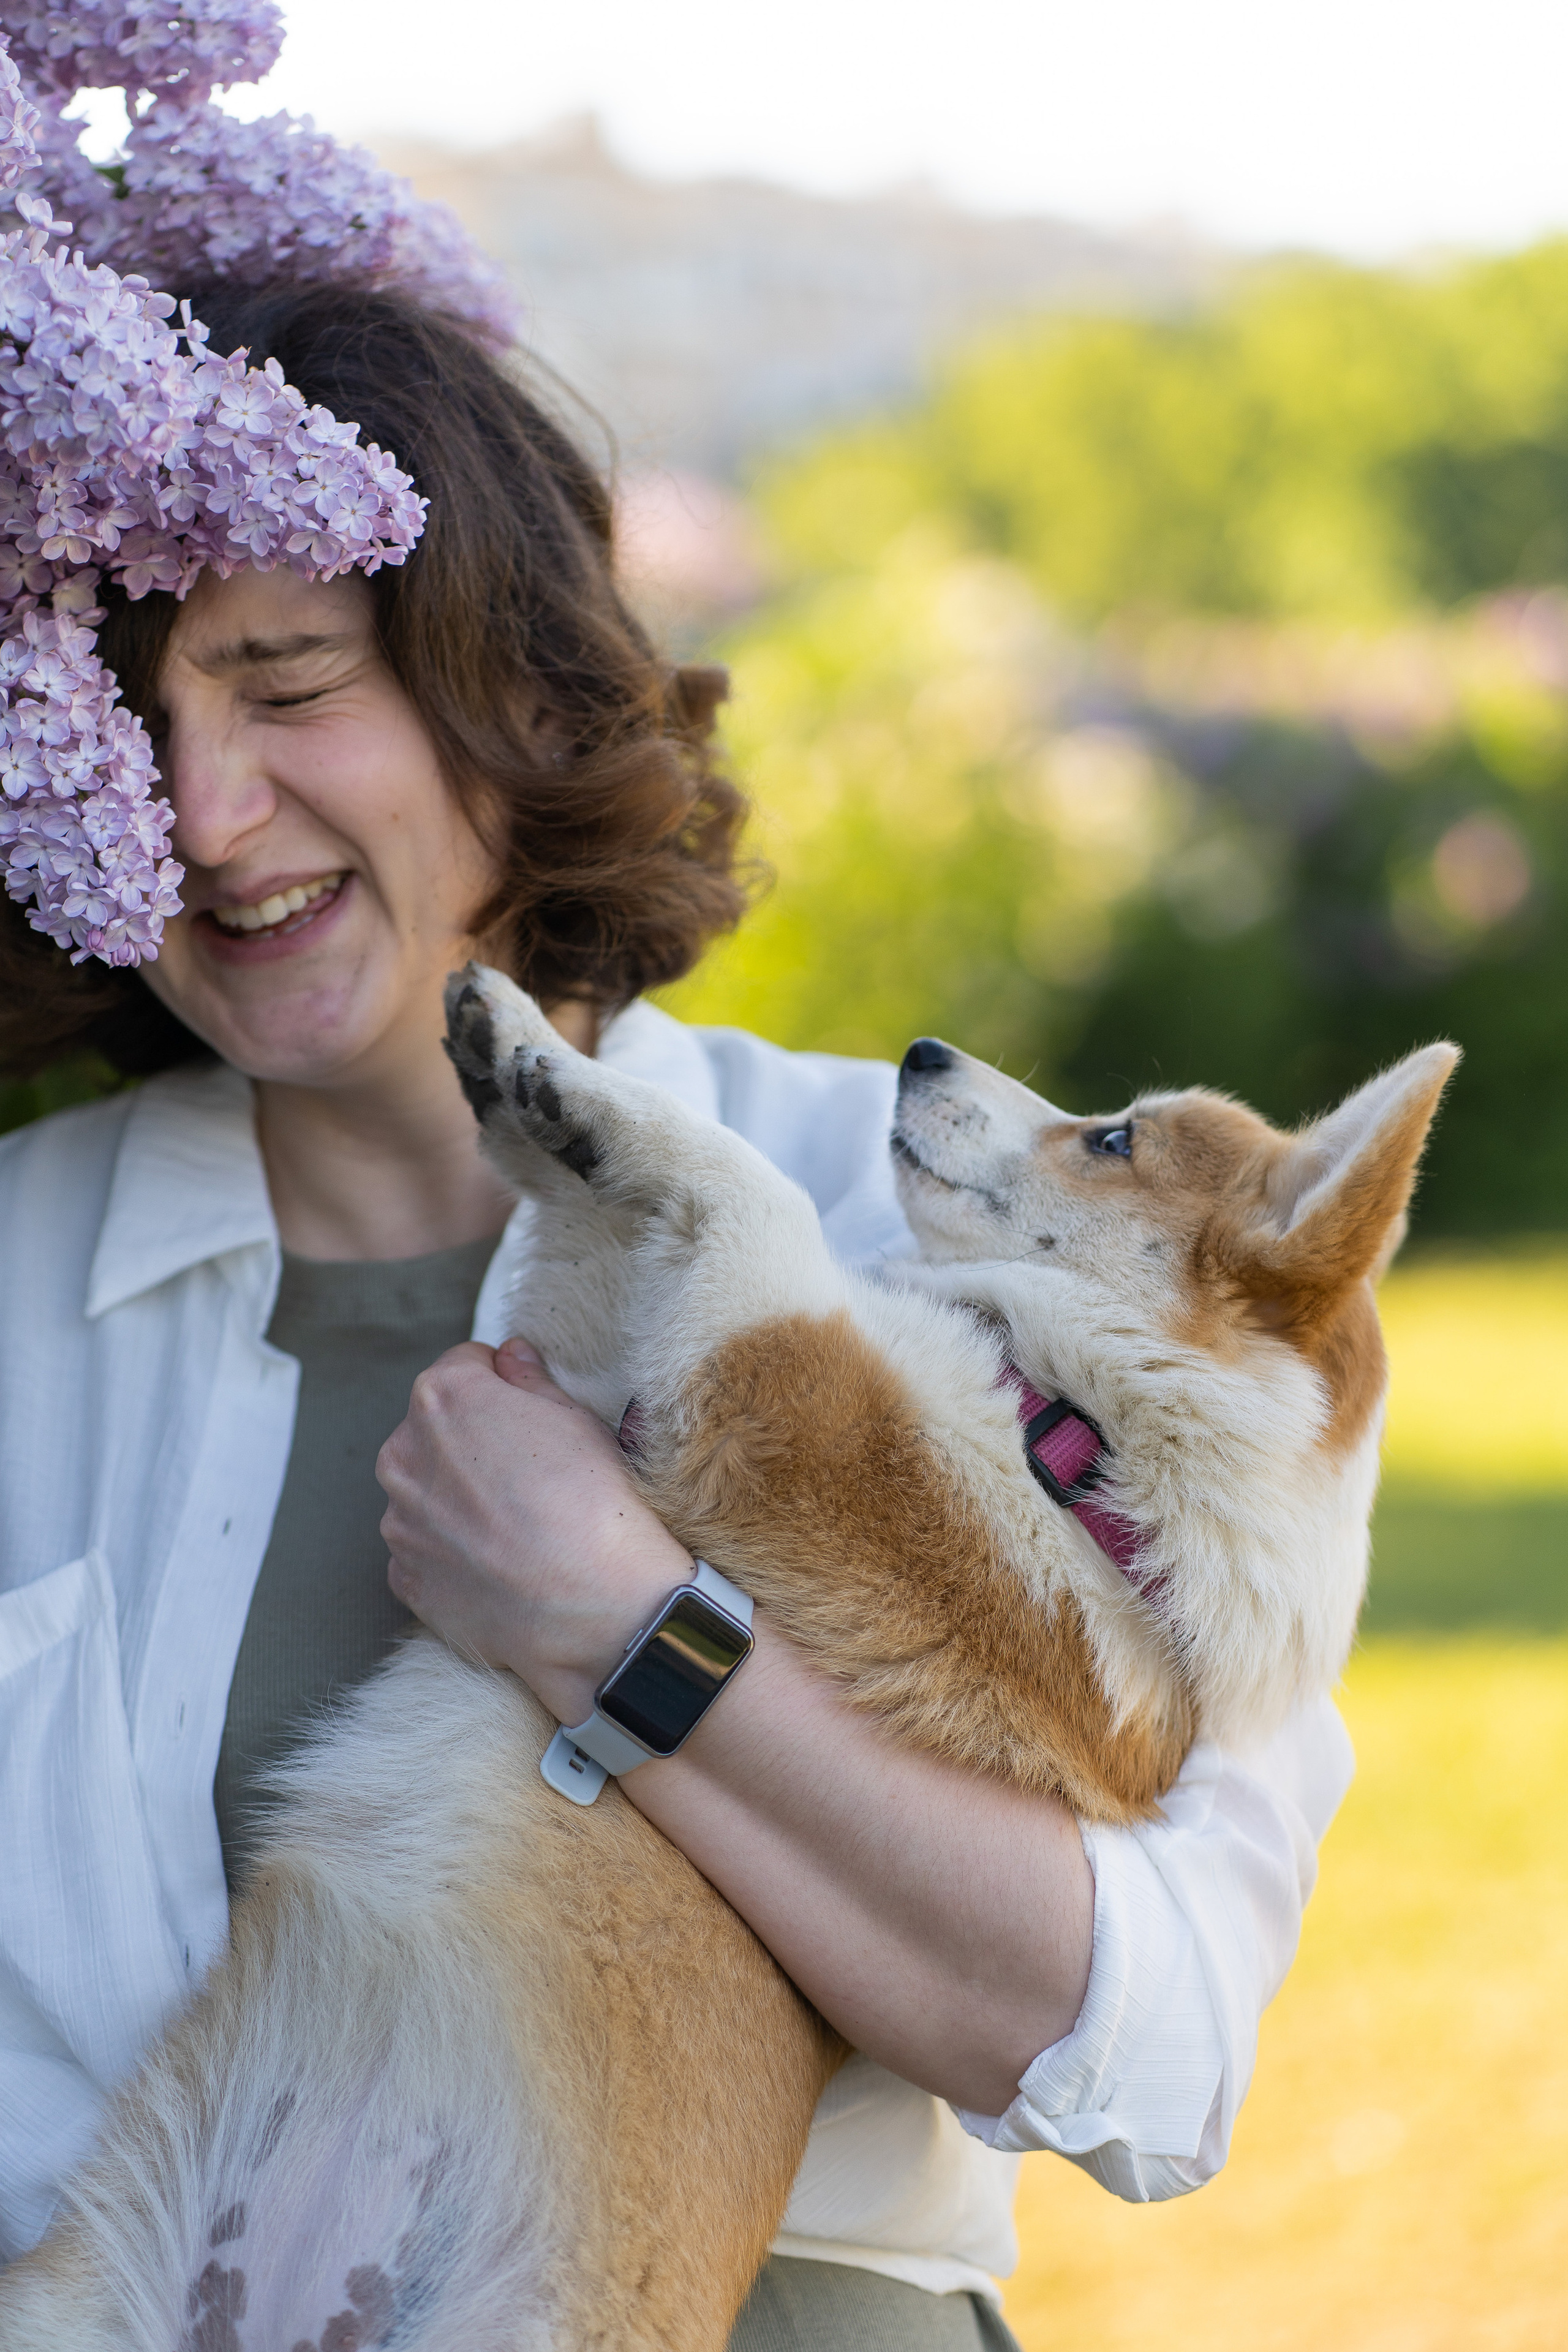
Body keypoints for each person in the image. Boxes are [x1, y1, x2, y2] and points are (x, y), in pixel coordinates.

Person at [0, 280, 1353, 2346]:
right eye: (130, 734)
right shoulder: (20, 1287)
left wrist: (625, 1626)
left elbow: (1149, 2054)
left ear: (499, 689)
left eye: (285, 684)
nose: (202, 818)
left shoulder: (935, 1250)